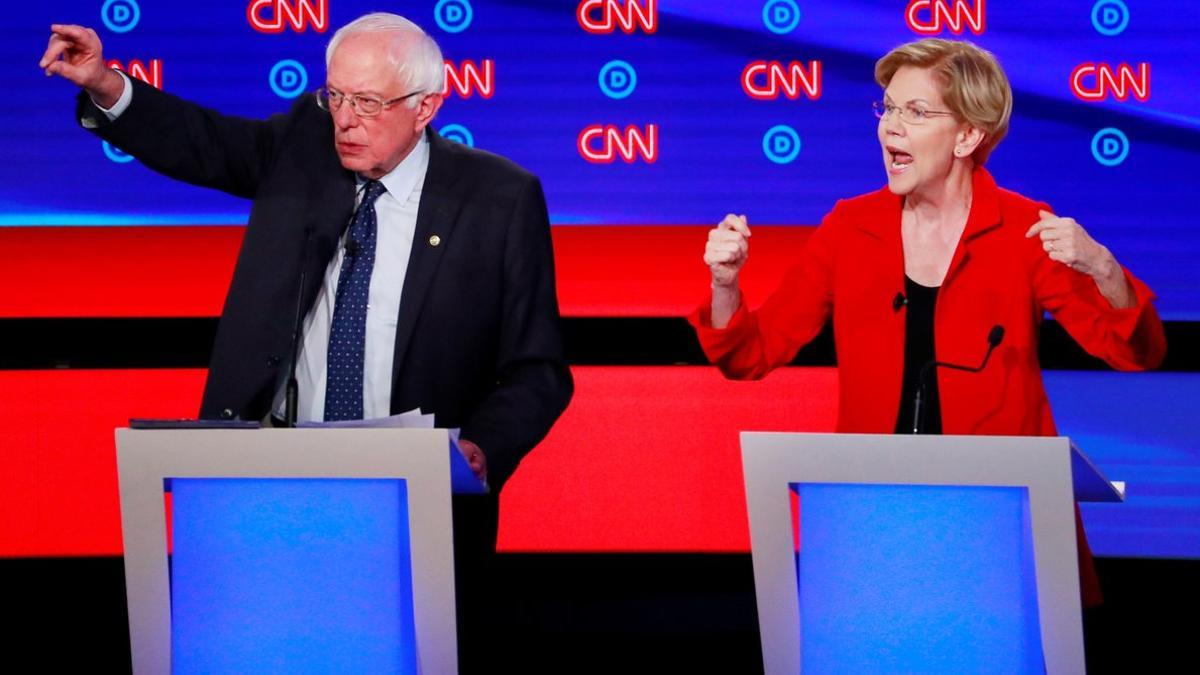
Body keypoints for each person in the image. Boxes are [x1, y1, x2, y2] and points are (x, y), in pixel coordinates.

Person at [41, 12, 573, 670]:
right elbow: (200, 141)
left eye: (369, 103)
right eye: (337, 95)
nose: (345, 119)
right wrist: (104, 83)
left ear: (427, 105)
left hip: (411, 505)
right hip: (270, 490)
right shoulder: (302, 145)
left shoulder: (499, 198)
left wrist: (481, 448)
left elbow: (538, 369)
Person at [691, 38, 1166, 606]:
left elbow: (1134, 353)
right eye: (888, 108)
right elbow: (749, 355)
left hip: (999, 517)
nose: (890, 127)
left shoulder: (1023, 230)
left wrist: (1103, 267)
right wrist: (725, 283)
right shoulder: (851, 228)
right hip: (875, 517)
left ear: (968, 136)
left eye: (915, 113)